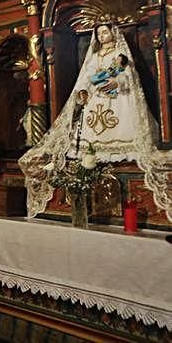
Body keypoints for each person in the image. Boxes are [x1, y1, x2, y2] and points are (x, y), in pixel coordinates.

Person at [20, 22, 172, 221]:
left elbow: (130, 77)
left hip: (116, 97)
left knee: (120, 123)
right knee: (88, 132)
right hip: (96, 98)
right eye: (98, 33)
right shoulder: (95, 55)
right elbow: (86, 78)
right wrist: (83, 93)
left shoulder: (120, 53)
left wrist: (117, 81)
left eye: (105, 32)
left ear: (112, 33)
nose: (101, 36)